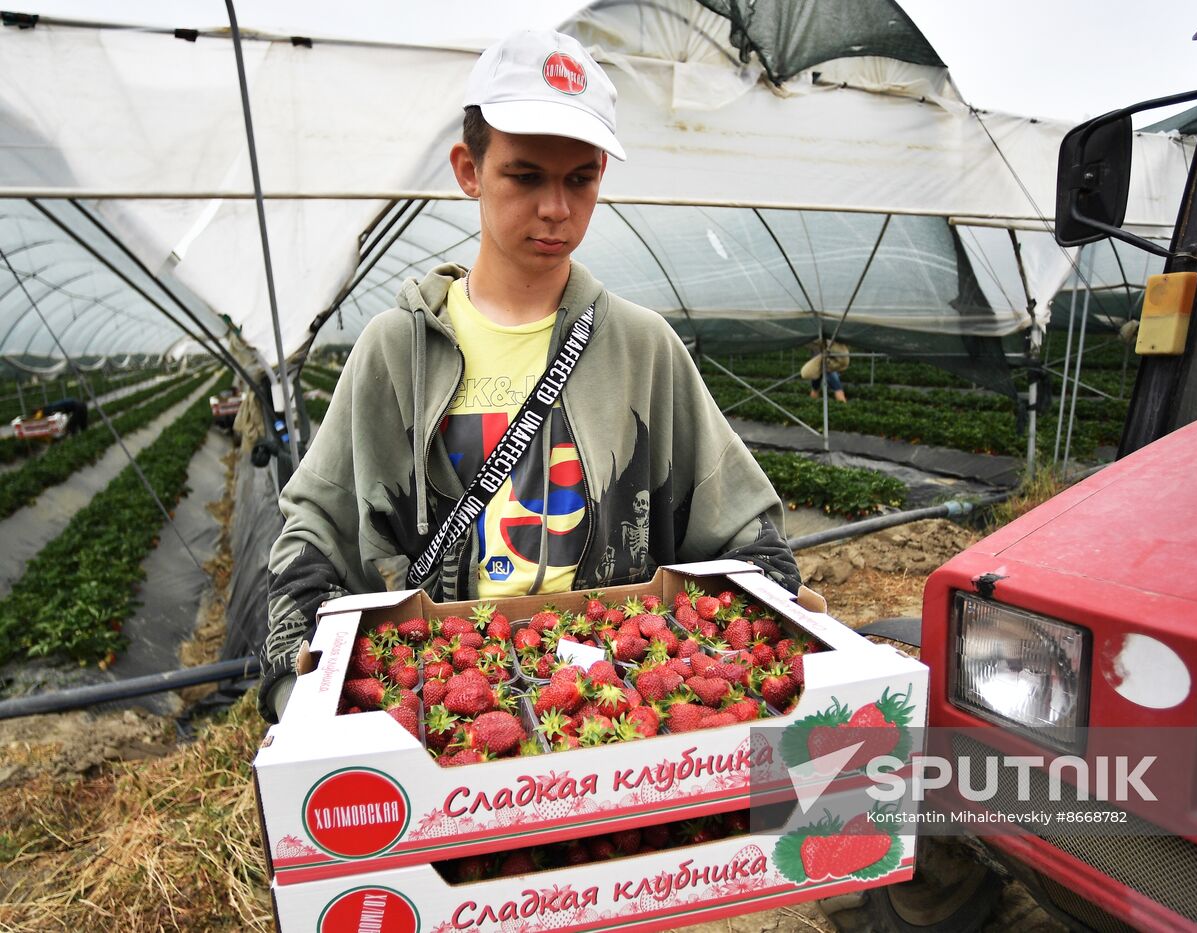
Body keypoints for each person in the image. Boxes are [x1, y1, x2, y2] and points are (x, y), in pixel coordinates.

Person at [257, 30, 799, 722]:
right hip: (436, 716)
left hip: (607, 708)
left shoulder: (642, 349)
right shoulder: (396, 352)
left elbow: (745, 529)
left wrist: (777, 637)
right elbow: (313, 535)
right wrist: (294, 687)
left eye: (581, 178)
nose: (556, 208)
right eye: (525, 175)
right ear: (468, 169)